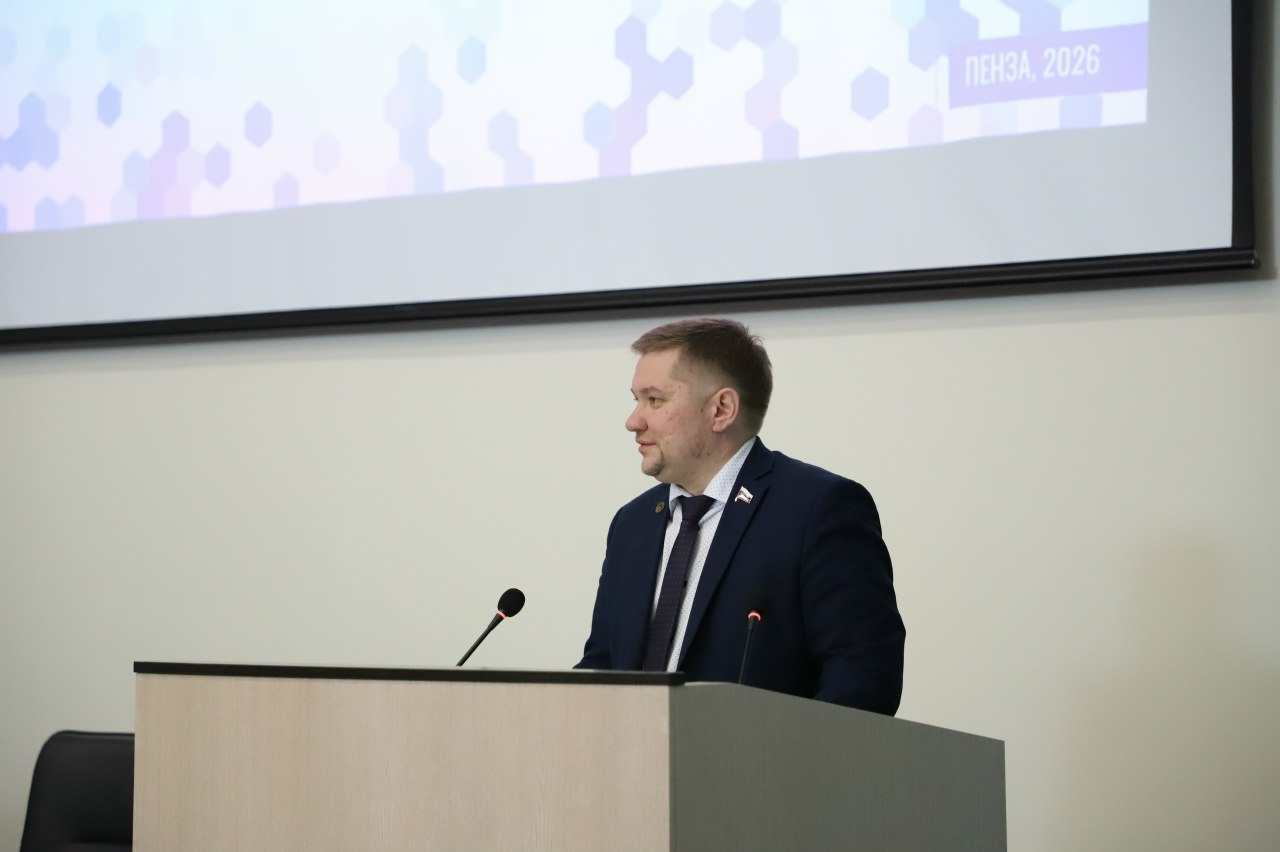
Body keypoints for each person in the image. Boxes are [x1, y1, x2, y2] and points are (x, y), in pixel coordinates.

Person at [576, 317, 905, 714]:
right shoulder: (633, 524)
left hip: (763, 755)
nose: (634, 421)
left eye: (655, 400)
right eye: (636, 400)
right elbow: (601, 668)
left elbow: (863, 678)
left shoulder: (817, 508)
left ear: (722, 409)